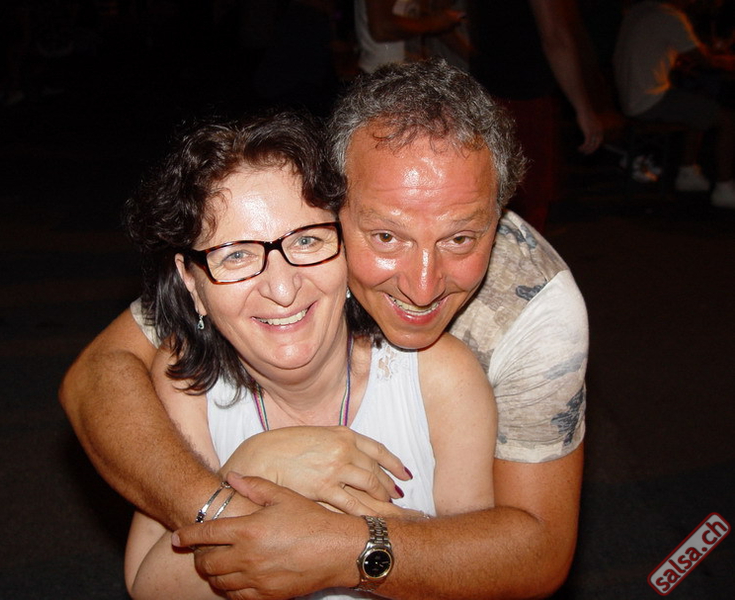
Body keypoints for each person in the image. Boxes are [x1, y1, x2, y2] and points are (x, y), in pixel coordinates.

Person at [60, 59, 587, 599]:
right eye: (385, 236)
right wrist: (244, 480)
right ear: (340, 208)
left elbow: (526, 553)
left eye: (460, 238)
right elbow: (95, 376)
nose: (422, 287)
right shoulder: (236, 267)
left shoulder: (526, 321)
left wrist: (341, 548)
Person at [119, 110, 496, 598]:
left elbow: (478, 573)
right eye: (236, 255)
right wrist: (252, 468)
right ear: (192, 283)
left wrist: (339, 547)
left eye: (307, 240)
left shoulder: (440, 380)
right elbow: (151, 588)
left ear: (346, 248)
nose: (282, 289)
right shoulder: (187, 388)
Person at [467, 0, 605, 231]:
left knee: (493, 191)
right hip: (523, 97)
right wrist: (583, 108)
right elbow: (556, 38)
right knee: (527, 197)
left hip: (487, 91)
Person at [613, 0, 735, 208]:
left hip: (629, 96)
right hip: (649, 100)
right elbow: (706, 60)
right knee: (728, 119)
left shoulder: (639, 9)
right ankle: (725, 188)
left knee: (698, 102)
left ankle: (688, 173)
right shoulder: (670, 16)